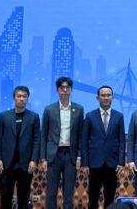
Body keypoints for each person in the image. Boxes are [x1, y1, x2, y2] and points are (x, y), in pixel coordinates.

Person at [0, 85, 41, 209]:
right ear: (14, 98)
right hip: (6, 164)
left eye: (24, 96)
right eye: (19, 96)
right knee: (5, 199)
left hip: (26, 165)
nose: (21, 99)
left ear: (28, 98)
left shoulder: (34, 117)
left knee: (24, 200)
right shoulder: (4, 116)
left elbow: (37, 140)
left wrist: (34, 160)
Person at [41, 76, 85, 209]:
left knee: (69, 192)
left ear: (71, 90)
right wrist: (43, 158)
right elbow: (44, 135)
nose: (65, 90)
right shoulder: (49, 109)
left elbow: (81, 135)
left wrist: (79, 156)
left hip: (71, 155)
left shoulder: (79, 109)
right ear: (57, 90)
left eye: (67, 87)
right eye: (62, 87)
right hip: (53, 155)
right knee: (51, 191)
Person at [82, 85, 125, 208]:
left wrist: (121, 162)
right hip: (94, 163)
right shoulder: (90, 116)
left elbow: (122, 141)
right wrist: (85, 163)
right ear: (98, 98)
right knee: (93, 198)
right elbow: (84, 141)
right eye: (103, 95)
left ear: (112, 97)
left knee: (110, 198)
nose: (106, 98)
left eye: (108, 95)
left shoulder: (119, 116)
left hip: (112, 163)